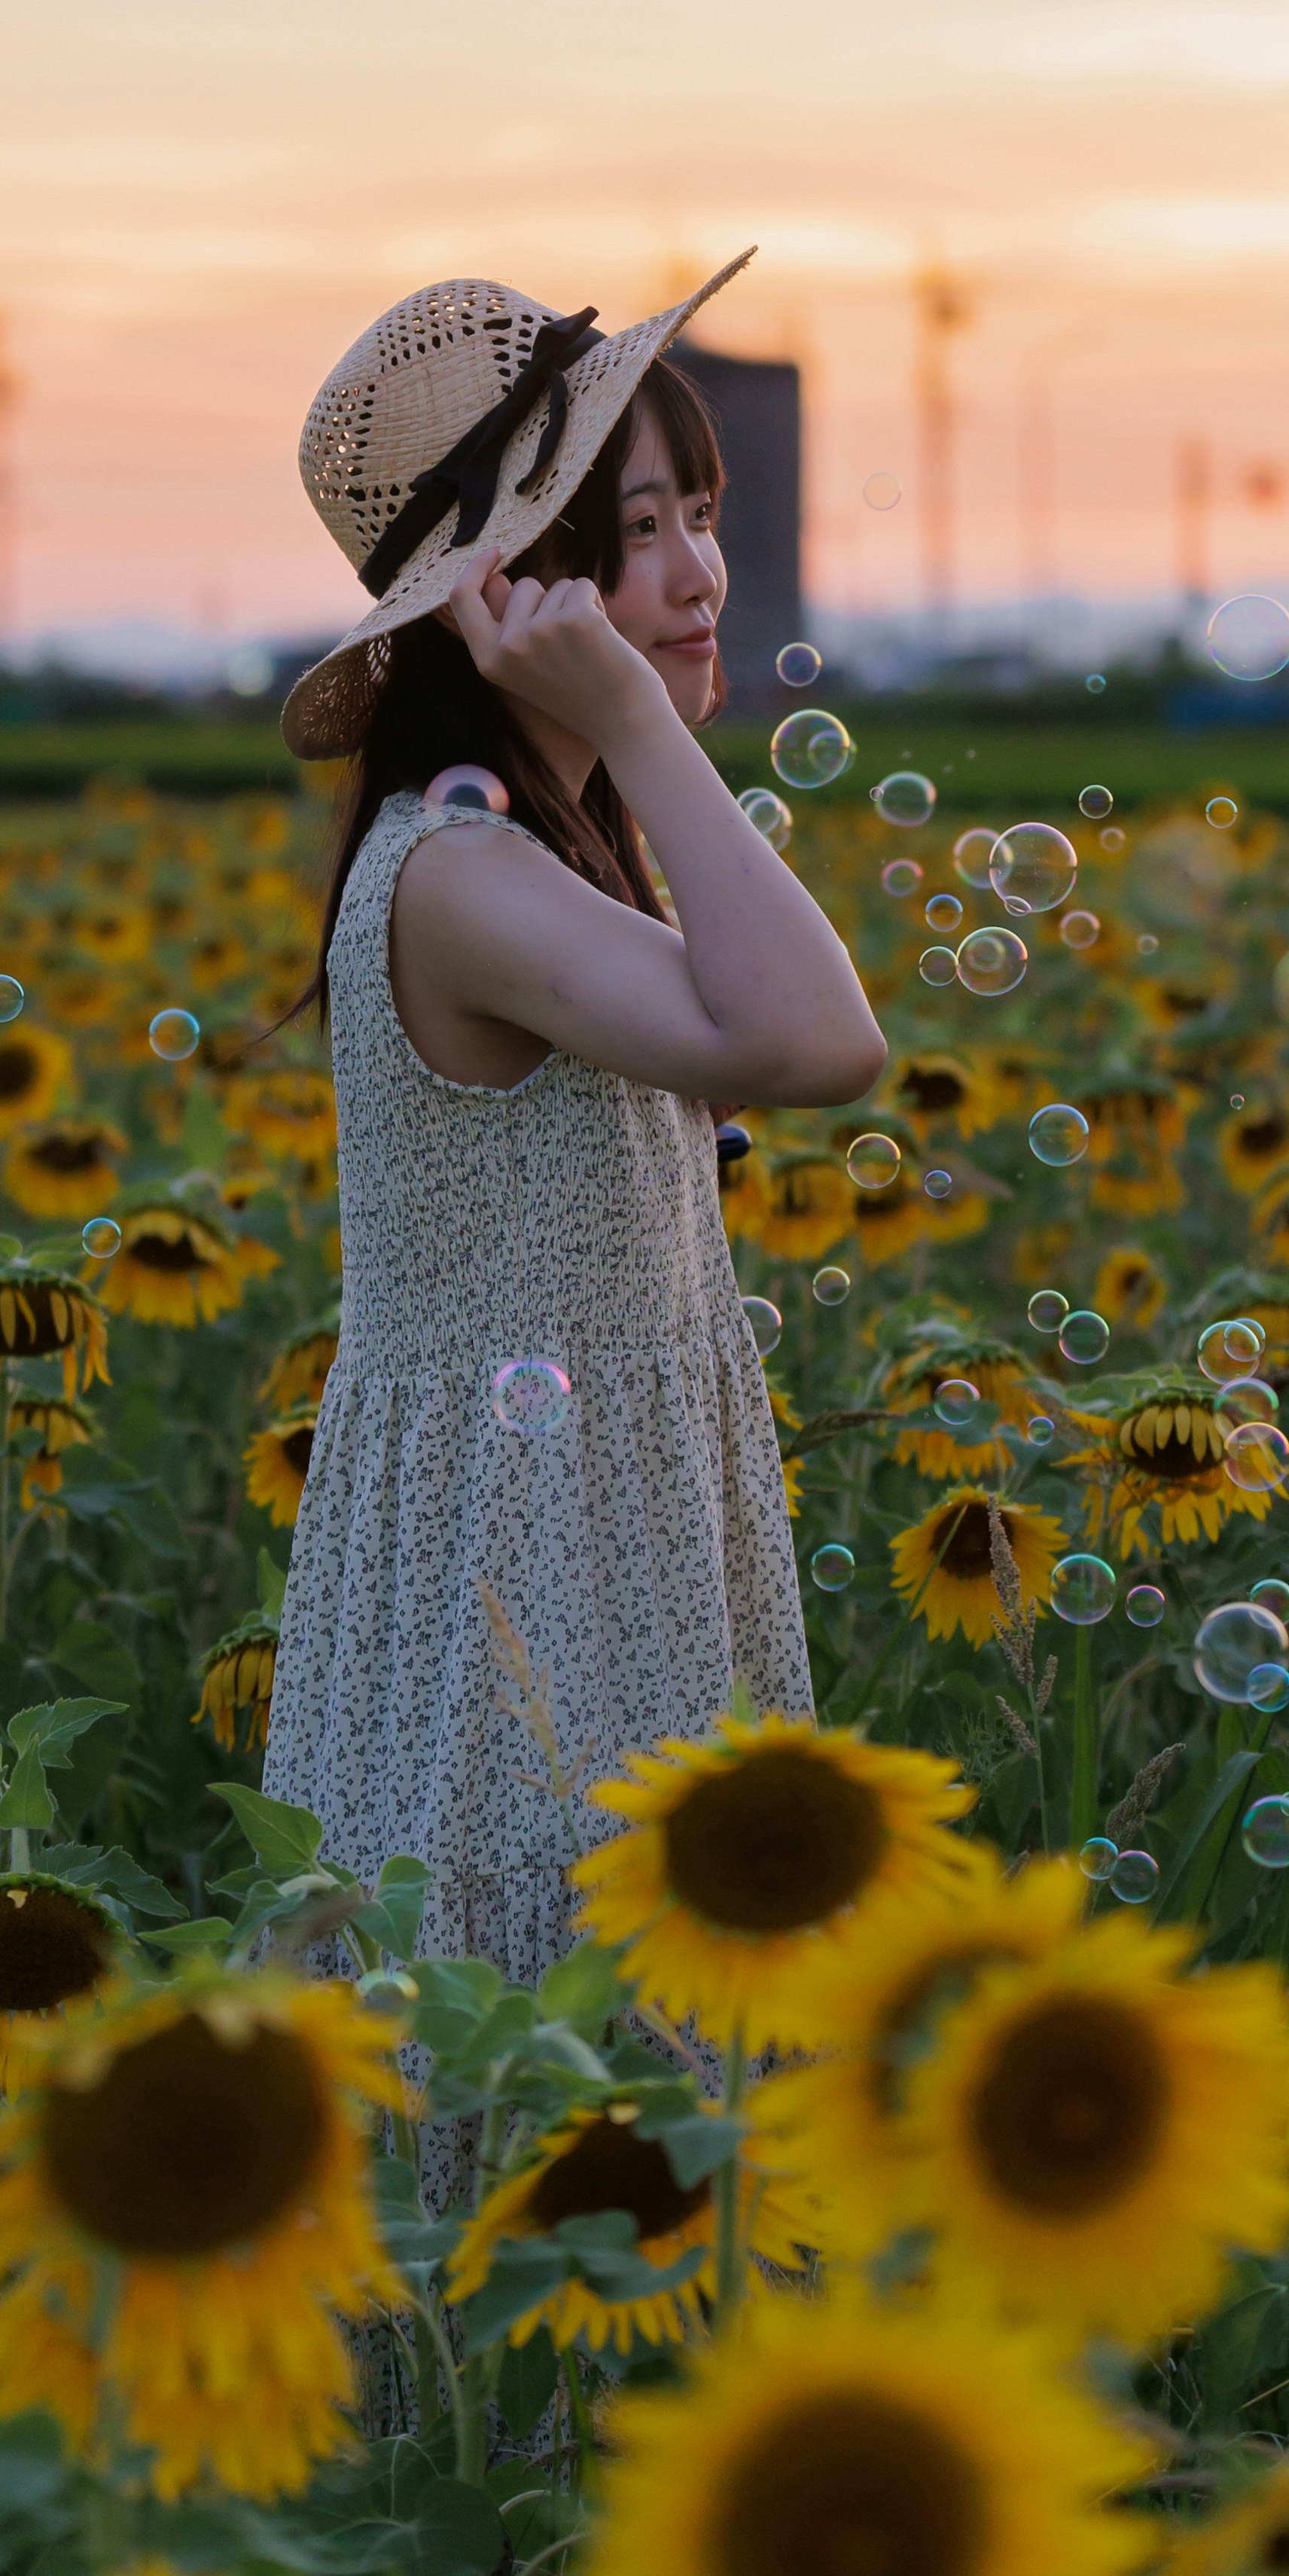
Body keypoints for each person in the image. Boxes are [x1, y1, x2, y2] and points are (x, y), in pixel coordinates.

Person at [261, 259, 886, 1992]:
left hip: (619, 1527)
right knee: (551, 2053)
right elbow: (815, 1040)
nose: (696, 573)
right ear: (501, 591)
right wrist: (632, 710)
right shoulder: (462, 881)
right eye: (635, 529)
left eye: (705, 510)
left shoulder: (554, 860)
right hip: (515, 1582)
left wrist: (628, 737)